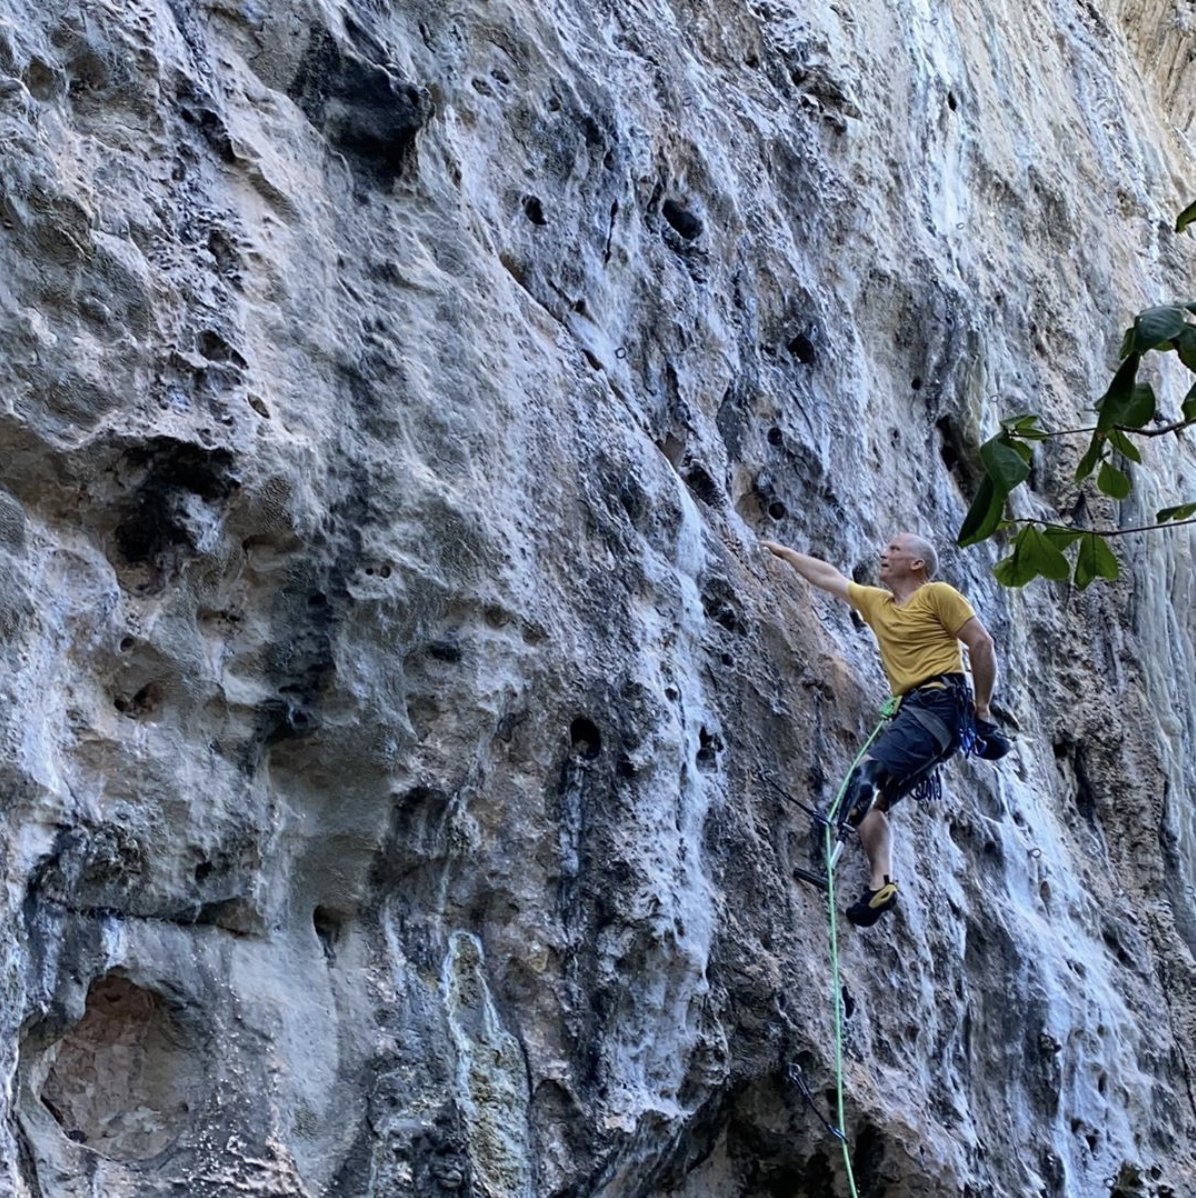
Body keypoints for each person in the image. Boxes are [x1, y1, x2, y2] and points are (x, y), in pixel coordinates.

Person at [762, 532, 1001, 927]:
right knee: (873, 807)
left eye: (894, 549)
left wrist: (982, 710)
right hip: (919, 714)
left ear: (917, 564)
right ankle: (880, 886)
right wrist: (786, 553)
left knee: (864, 777)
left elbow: (981, 643)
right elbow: (830, 578)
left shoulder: (936, 595)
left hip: (939, 705)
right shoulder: (878, 604)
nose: (883, 553)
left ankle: (829, 851)